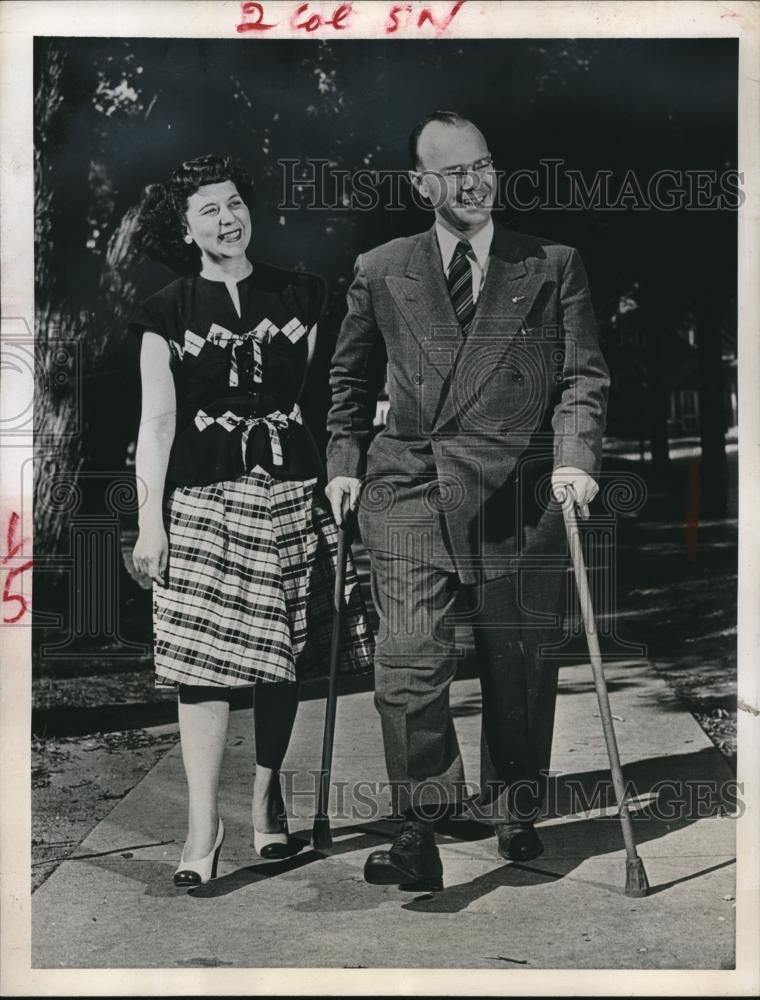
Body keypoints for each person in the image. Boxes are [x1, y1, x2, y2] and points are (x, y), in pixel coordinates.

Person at [325, 112, 609, 890]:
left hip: (518, 485)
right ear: (422, 185)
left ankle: (514, 803)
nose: (474, 182)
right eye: (452, 172)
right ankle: (421, 824)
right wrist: (344, 461)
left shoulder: (551, 264)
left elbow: (583, 375)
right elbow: (348, 380)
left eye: (483, 164)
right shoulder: (382, 268)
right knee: (408, 658)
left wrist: (576, 457)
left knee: (516, 660)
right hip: (409, 484)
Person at [130, 154, 373, 887]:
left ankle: (267, 796)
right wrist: (150, 521)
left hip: (293, 496)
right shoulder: (163, 312)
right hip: (203, 503)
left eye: (234, 204)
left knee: (284, 656)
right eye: (208, 210)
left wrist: (342, 470)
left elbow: (341, 397)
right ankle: (204, 824)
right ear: (185, 226)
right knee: (199, 670)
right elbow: (158, 424)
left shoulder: (303, 294)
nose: (227, 219)